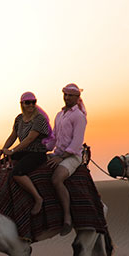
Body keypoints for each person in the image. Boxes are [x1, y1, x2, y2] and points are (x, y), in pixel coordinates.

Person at [0, 91, 53, 216]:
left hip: (37, 152)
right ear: (22, 104)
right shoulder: (19, 119)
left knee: (18, 173)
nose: (31, 105)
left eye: (33, 102)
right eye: (28, 102)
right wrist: (4, 148)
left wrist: (12, 151)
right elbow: (13, 136)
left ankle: (38, 198)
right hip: (23, 151)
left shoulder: (39, 119)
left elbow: (30, 139)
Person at [46, 83, 88, 235]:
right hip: (58, 154)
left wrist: (61, 157)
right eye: (65, 95)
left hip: (72, 156)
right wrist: (41, 148)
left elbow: (77, 143)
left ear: (77, 98)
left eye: (71, 95)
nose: (67, 98)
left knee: (57, 179)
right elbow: (53, 138)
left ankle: (67, 217)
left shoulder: (79, 117)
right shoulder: (59, 115)